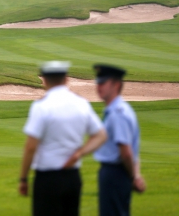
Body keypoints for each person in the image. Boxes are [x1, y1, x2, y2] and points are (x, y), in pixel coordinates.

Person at [19, 61, 107, 216]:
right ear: (66, 79)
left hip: (48, 179)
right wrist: (80, 153)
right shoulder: (81, 103)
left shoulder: (41, 106)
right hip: (72, 178)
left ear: (44, 80)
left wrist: (23, 178)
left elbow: (31, 147)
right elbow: (101, 135)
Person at [93, 64, 146, 216]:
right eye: (98, 82)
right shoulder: (117, 109)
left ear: (116, 85)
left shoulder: (118, 113)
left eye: (103, 83)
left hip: (115, 174)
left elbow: (127, 152)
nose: (98, 86)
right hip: (116, 174)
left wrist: (133, 177)